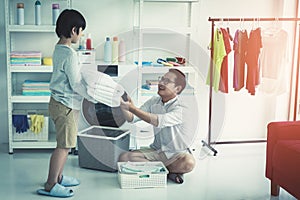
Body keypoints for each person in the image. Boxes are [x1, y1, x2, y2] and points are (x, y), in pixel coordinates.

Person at [37, 9, 96, 198]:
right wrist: (92, 95)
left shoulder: (59, 48)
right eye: (81, 31)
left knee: (65, 144)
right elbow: (76, 83)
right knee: (63, 146)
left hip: (57, 102)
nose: (82, 34)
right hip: (66, 106)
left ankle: (59, 177)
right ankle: (51, 183)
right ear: (73, 30)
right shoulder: (70, 54)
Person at [119, 69, 196, 184]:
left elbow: (158, 121)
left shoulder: (182, 107)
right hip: (157, 151)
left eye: (167, 81)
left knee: (189, 163)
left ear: (177, 89)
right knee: (124, 158)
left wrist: (132, 108)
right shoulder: (154, 101)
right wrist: (124, 106)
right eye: (162, 79)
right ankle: (168, 172)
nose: (161, 83)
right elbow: (132, 118)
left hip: (176, 154)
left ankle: (155, 170)